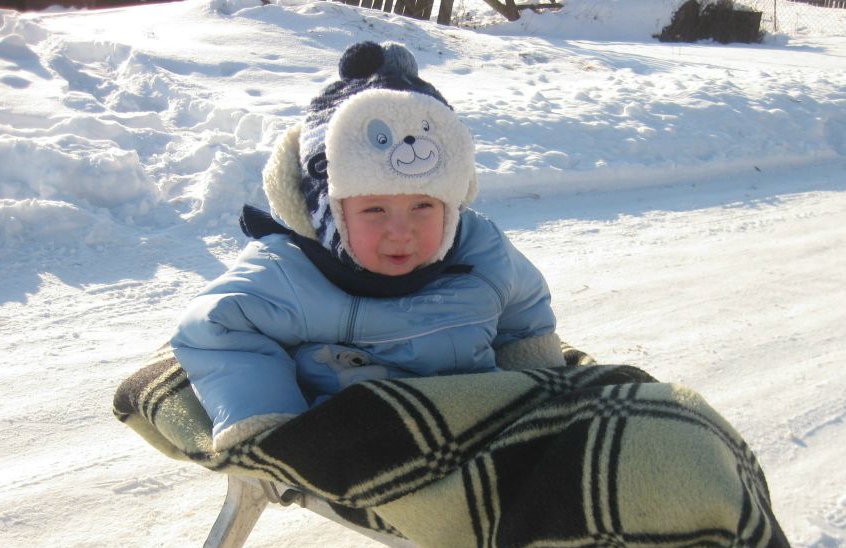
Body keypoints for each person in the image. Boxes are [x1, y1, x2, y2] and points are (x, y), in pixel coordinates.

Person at [171, 41, 564, 452]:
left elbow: (526, 306)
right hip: (364, 441)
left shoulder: (478, 249)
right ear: (329, 213)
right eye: (375, 209)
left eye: (423, 206)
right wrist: (268, 421)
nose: (401, 231)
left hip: (482, 419)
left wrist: (537, 377)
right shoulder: (289, 271)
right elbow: (213, 328)